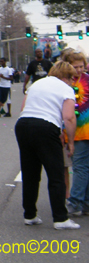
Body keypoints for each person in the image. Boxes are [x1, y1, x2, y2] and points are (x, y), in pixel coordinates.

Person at [15, 61, 80, 229]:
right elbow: (69, 117)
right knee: (56, 173)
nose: (73, 82)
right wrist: (70, 141)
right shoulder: (66, 89)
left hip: (23, 125)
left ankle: (29, 215)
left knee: (30, 173)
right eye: (72, 78)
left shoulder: (37, 83)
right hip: (46, 127)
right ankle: (60, 218)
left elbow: (24, 107)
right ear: (66, 77)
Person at [66, 51, 89, 216]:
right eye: (76, 67)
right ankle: (78, 202)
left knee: (82, 167)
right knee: (81, 167)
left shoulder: (87, 80)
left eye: (81, 66)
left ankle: (79, 202)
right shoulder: (65, 83)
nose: (79, 70)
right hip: (75, 132)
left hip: (86, 129)